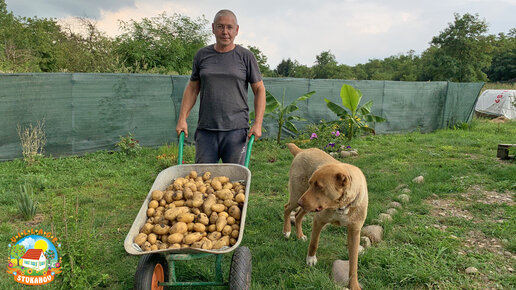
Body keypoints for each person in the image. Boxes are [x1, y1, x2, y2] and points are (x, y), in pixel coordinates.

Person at [175, 9, 266, 165]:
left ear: (236, 30)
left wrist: (258, 124)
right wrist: (182, 119)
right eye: (220, 26)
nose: (225, 32)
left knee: (235, 181)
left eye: (229, 27)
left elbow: (259, 90)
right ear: (213, 28)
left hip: (236, 131)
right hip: (206, 131)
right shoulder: (202, 55)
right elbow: (192, 88)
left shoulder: (246, 56)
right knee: (202, 181)